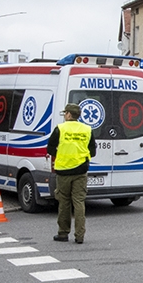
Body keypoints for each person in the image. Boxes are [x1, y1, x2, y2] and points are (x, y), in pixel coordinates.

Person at [47, 104, 97, 244]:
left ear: (68, 114)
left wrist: (62, 154)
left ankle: (63, 233)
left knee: (64, 202)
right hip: (81, 170)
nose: (64, 115)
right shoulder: (87, 129)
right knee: (79, 202)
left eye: (65, 113)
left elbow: (50, 148)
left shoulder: (60, 129)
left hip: (63, 171)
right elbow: (93, 151)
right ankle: (80, 236)